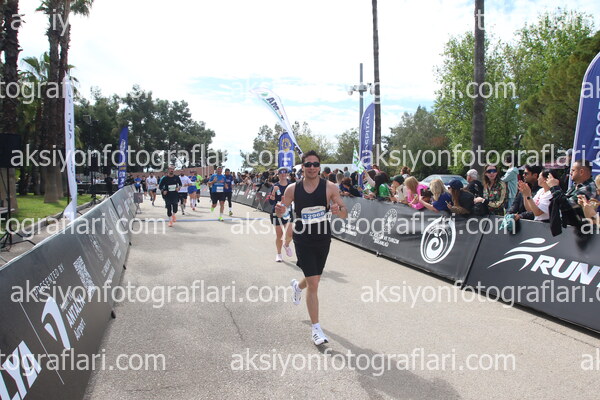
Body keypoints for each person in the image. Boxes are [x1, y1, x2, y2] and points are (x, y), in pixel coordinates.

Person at [275, 150, 348, 345]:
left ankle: (297, 286)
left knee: (313, 278)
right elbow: (282, 211)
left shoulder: (330, 187)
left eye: (316, 164)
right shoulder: (292, 189)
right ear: (302, 167)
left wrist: (338, 210)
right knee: (314, 284)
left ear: (319, 166)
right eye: (308, 164)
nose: (312, 167)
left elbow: (344, 213)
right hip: (303, 239)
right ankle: (316, 329)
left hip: (323, 238)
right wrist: (280, 211)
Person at [269, 167, 294, 262]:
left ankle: (286, 245)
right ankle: (279, 254)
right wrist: (273, 192)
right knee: (279, 235)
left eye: (285, 172)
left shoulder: (291, 185)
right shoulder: (275, 186)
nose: (283, 174)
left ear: (287, 174)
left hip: (288, 212)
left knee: (290, 234)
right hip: (277, 212)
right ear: (278, 175)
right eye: (281, 173)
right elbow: (271, 202)